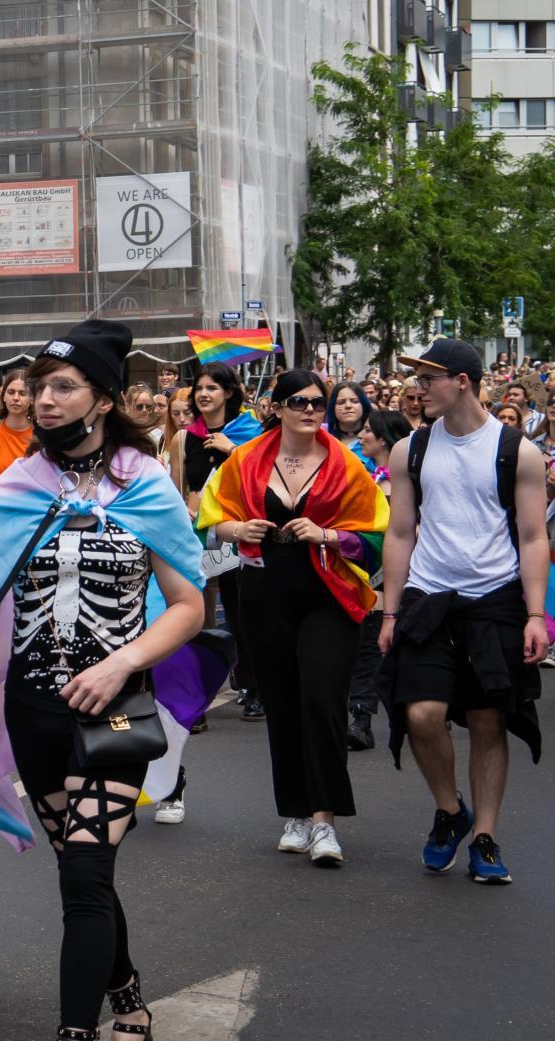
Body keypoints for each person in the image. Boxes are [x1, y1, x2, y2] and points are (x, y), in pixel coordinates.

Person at [0, 320, 207, 1041]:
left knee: (85, 877)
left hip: (117, 713)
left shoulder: (144, 483)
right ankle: (131, 1009)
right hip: (35, 714)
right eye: (37, 387)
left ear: (102, 398)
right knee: (85, 872)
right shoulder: (13, 487)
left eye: (62, 387)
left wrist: (122, 663)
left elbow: (189, 605)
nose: (42, 400)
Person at [196, 370, 389, 868]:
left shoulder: (347, 464)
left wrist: (326, 535)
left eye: (317, 403)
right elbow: (210, 522)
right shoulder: (244, 460)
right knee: (283, 703)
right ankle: (296, 814)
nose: (310, 411)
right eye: (299, 402)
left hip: (329, 592)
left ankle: (324, 820)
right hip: (264, 594)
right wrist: (238, 526)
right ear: (277, 408)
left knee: (322, 699)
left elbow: (376, 535)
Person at [378, 338, 548, 885]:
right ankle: (451, 812)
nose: (417, 388)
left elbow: (532, 535)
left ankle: (486, 837)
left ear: (462, 381)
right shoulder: (412, 449)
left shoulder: (514, 450)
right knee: (422, 714)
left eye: (428, 378)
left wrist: (535, 615)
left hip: (495, 599)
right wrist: (389, 610)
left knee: (486, 719)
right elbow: (400, 531)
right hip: (430, 597)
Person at [173, 361, 264, 723]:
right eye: (199, 389)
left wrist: (233, 451)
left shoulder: (249, 433)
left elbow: (261, 481)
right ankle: (199, 698)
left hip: (239, 534)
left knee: (243, 614)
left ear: (228, 392)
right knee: (199, 617)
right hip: (199, 537)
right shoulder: (185, 437)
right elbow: (178, 489)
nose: (204, 394)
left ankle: (255, 686)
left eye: (212, 388)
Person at [347, 409, 413, 750]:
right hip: (372, 571)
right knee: (369, 642)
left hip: (412, 570)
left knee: (406, 642)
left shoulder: (409, 478)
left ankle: (424, 706)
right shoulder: (365, 478)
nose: (361, 437)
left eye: (368, 431)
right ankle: (360, 715)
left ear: (384, 437)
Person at [328, 382, 374, 472]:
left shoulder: (378, 439)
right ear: (333, 407)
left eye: (355, 401)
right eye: (341, 402)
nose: (348, 406)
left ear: (363, 405)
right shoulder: (323, 439)